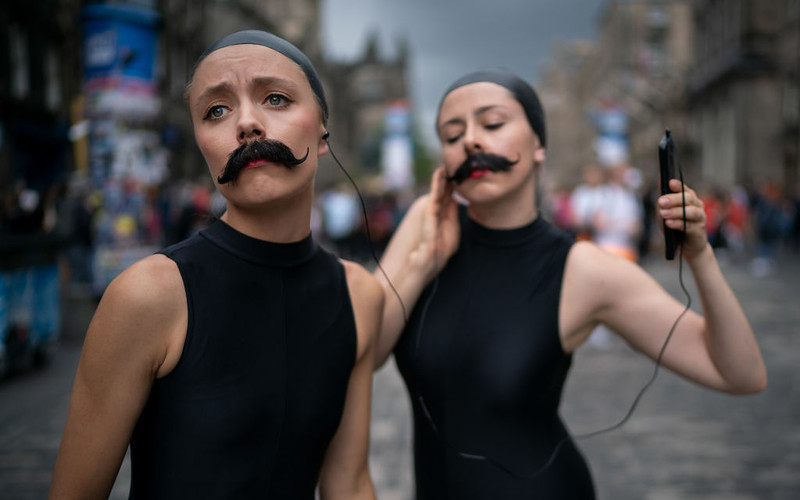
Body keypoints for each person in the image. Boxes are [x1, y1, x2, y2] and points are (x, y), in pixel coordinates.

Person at [373, 68, 766, 499]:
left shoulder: (583, 269)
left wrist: (700, 255)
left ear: (539, 144)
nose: (470, 141)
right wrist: (420, 265)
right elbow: (367, 352)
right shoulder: (426, 221)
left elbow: (740, 373)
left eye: (493, 124)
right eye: (451, 135)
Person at [50, 30, 382, 499]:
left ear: (323, 132)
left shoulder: (359, 296)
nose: (246, 123)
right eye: (216, 111)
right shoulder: (150, 295)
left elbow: (349, 483)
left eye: (275, 98)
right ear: (202, 143)